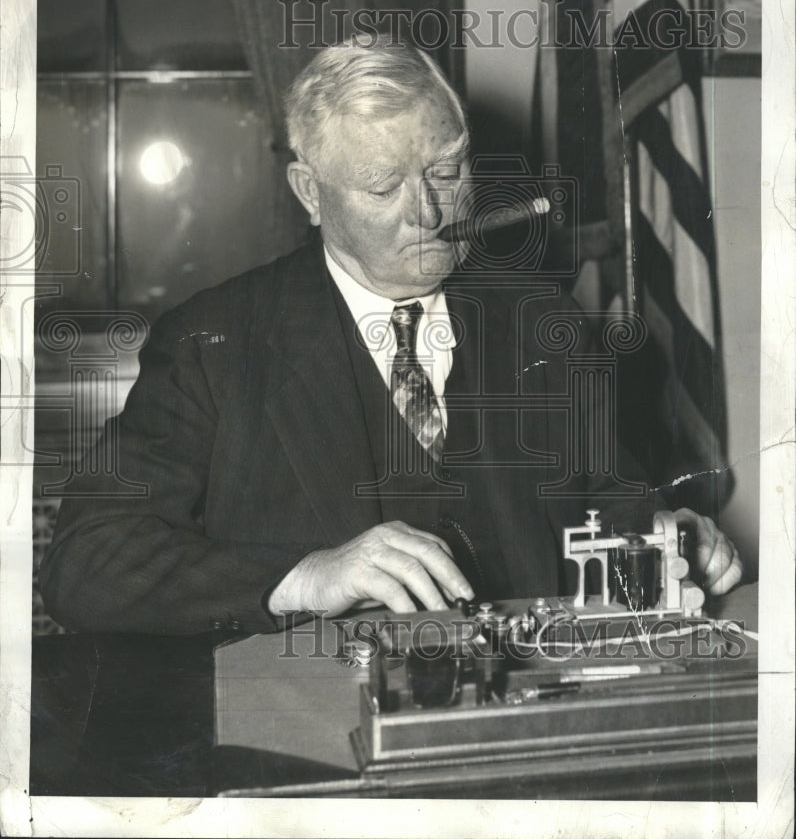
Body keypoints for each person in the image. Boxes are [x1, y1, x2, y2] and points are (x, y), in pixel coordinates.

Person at [39, 39, 743, 635]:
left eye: (447, 170)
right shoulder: (210, 343)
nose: (430, 213)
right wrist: (302, 578)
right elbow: (84, 562)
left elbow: (606, 503)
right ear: (309, 193)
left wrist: (665, 537)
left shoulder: (543, 322)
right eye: (383, 188)